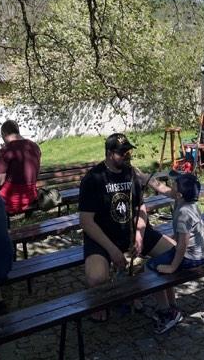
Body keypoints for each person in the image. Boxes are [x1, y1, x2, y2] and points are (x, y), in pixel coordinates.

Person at [78, 133, 174, 321]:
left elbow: (141, 208)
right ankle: (103, 301)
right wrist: (112, 250)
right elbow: (86, 221)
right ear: (109, 153)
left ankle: (167, 304)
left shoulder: (132, 173)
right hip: (102, 237)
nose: (127, 156)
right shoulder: (93, 178)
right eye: (122, 153)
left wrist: (139, 234)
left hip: (131, 232)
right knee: (97, 278)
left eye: (128, 152)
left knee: (173, 253)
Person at [146, 172, 204, 334]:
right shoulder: (189, 203)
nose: (171, 185)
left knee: (150, 269)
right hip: (198, 253)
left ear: (179, 195)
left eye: (175, 184)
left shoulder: (183, 213)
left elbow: (183, 245)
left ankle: (167, 313)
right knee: (161, 263)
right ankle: (171, 305)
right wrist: (145, 178)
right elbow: (163, 188)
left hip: (190, 257)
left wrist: (172, 266)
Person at [0, 119, 41, 214]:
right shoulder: (34, 146)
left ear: (4, 134)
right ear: (17, 131)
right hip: (31, 197)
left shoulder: (6, 150)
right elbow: (35, 173)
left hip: (10, 201)